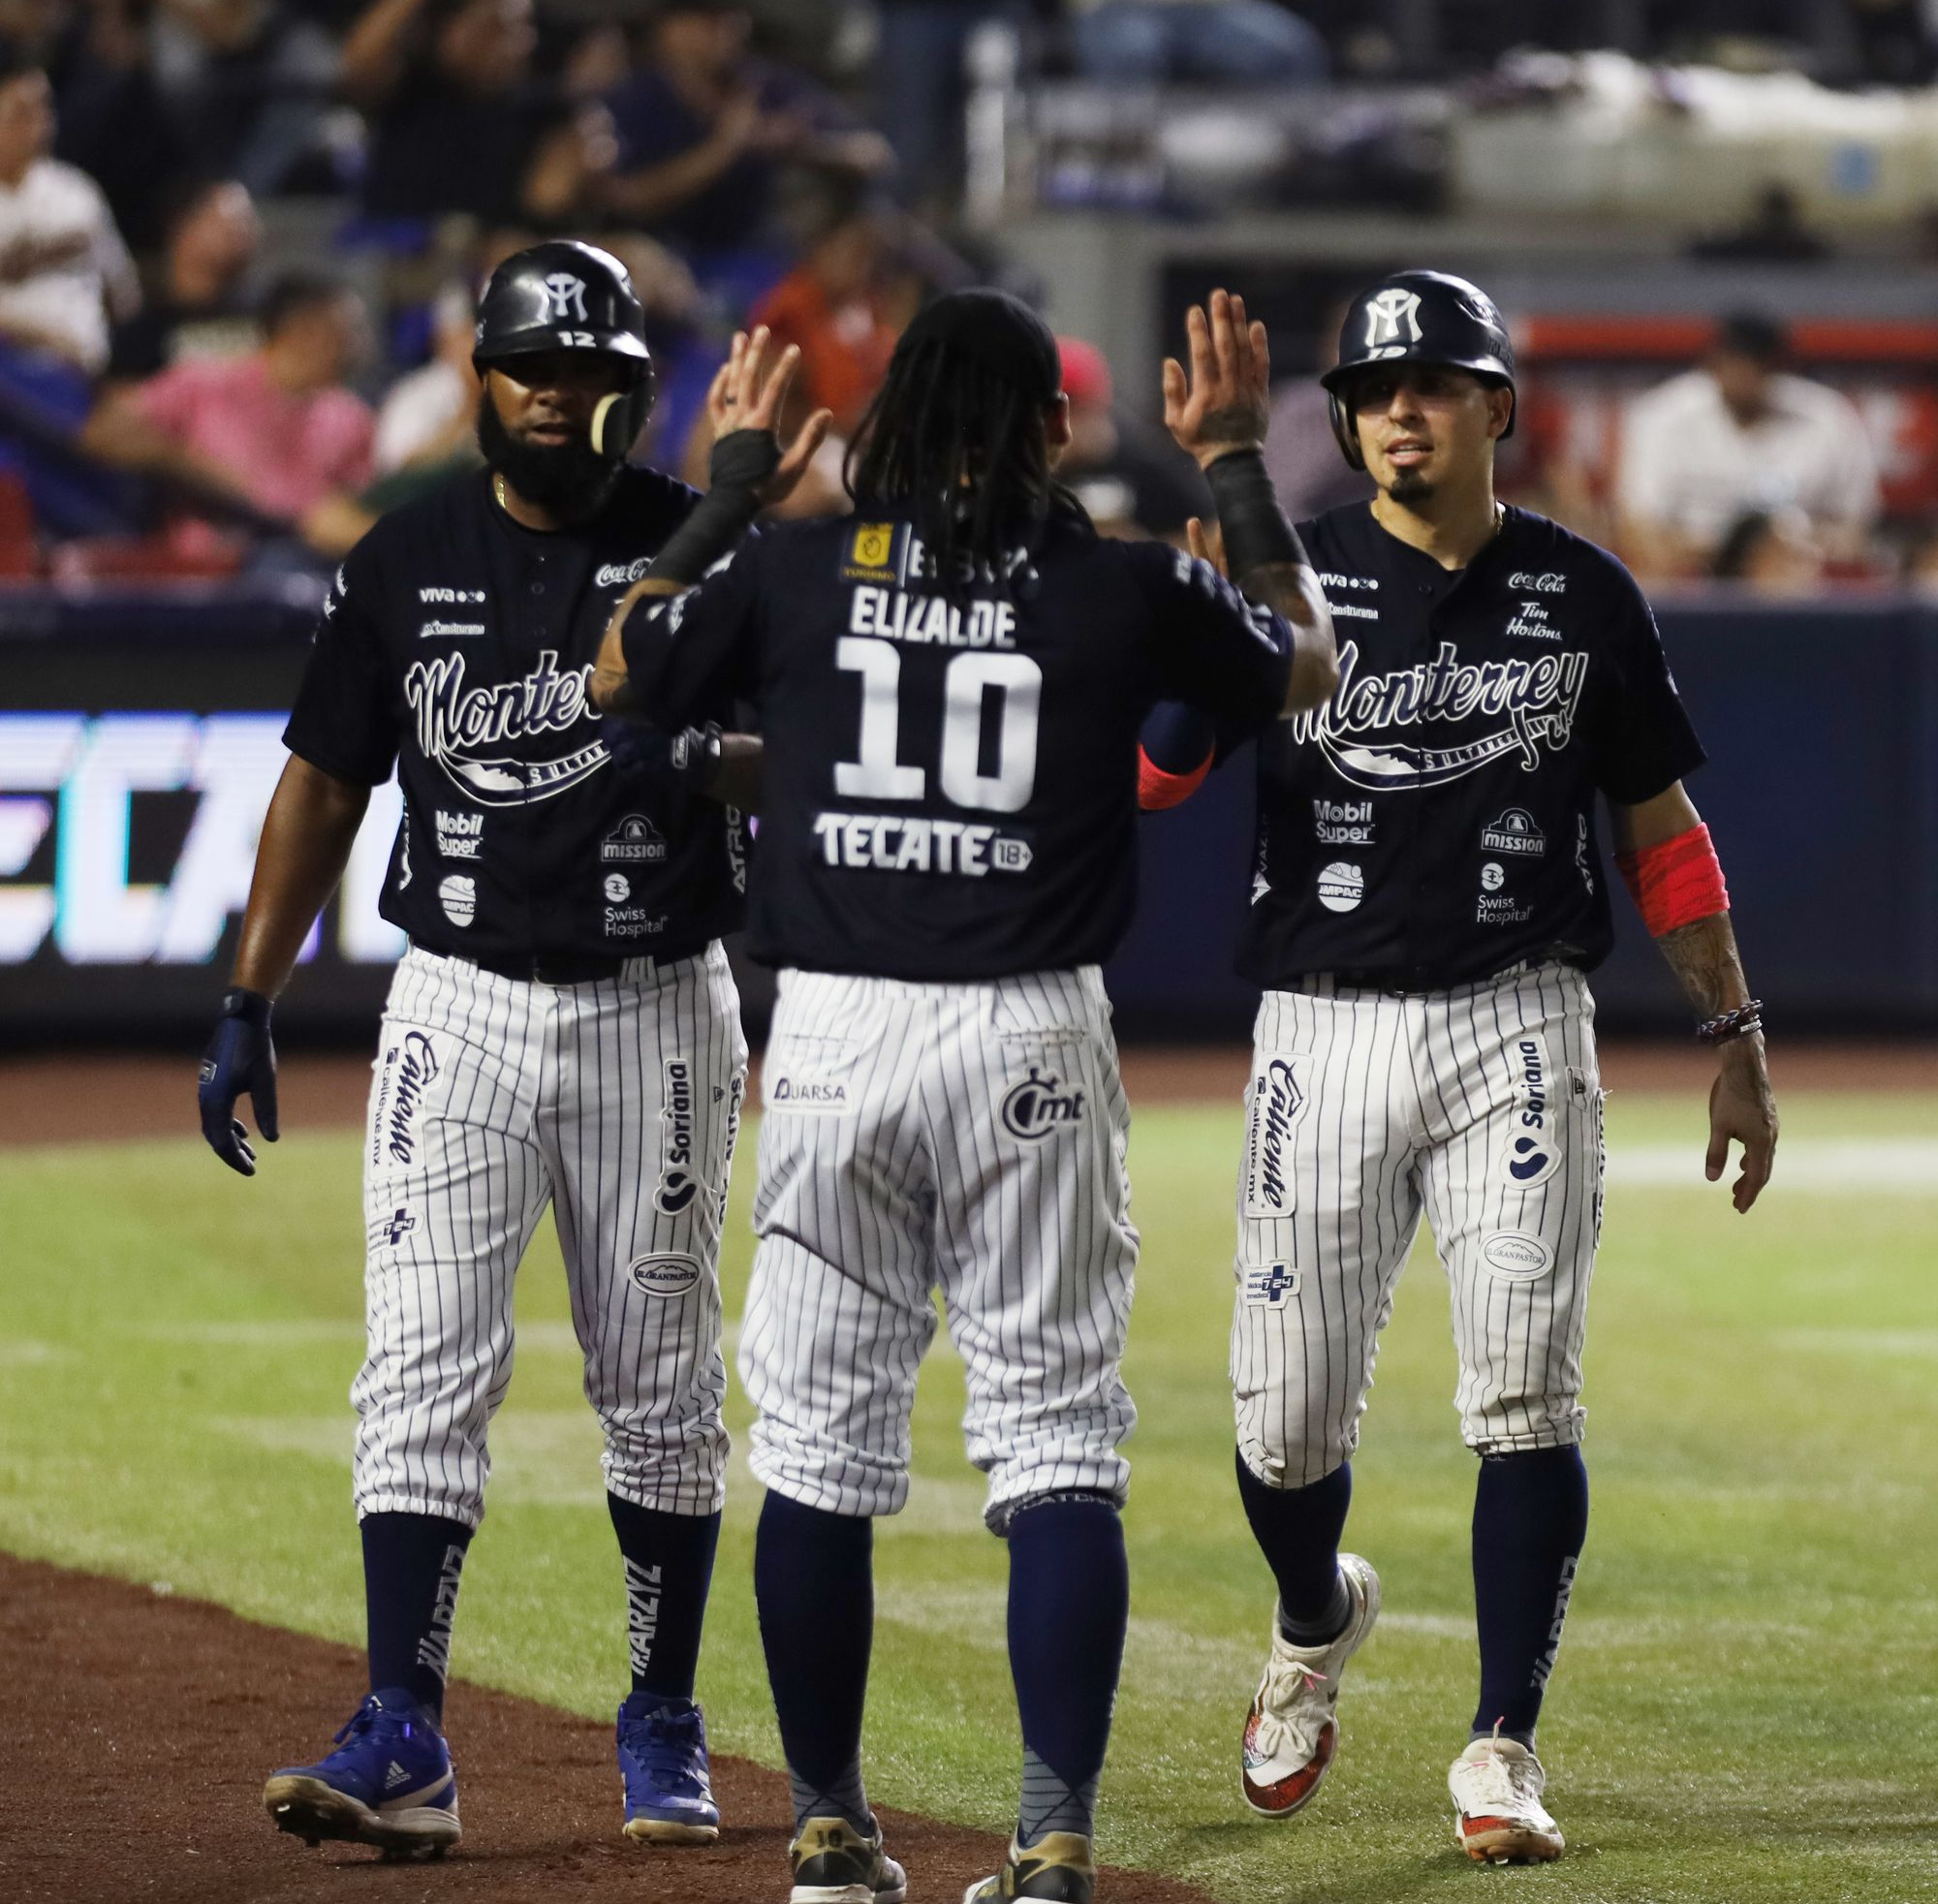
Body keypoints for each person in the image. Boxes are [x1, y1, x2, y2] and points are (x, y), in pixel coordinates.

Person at [590, 287, 1337, 1904]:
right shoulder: (1119, 582)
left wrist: (722, 484)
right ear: (1051, 430)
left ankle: (831, 1830)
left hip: (842, 1038)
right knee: (1058, 1440)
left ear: (879, 427)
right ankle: (1054, 1838)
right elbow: (1314, 666)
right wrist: (1229, 461)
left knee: (817, 1451)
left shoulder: (790, 570)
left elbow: (615, 674)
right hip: (1030, 1041)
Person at [193, 240, 827, 1860]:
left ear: (627, 389)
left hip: (656, 1000)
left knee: (664, 1389)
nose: (557, 395)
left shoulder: (706, 552)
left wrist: (706, 748)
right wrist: (248, 996)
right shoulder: (404, 560)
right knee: (418, 1370)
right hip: (456, 999)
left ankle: (662, 1712)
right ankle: (403, 1730)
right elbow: (325, 781)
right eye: (531, 368)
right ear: (479, 378)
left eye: (588, 372)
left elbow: (802, 758)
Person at [1137, 269, 1779, 1864]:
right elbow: (1157, 778)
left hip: (1519, 1022)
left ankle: (1502, 1743)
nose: (1397, 411)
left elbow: (1662, 834)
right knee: (1282, 1432)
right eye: (1370, 391)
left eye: (1431, 385)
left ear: (1498, 408)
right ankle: (1311, 1619)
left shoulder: (1583, 591)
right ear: (1344, 421)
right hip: (1322, 1027)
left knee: (1522, 1394)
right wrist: (1194, 618)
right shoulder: (1294, 581)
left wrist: (1737, 1033)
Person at [81, 269, 375, 562]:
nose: (362, 346)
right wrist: (198, 469)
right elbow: (100, 434)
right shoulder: (203, 383)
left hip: (305, 570)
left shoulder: (353, 418)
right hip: (204, 574)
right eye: (353, 330)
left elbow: (354, 511)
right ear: (304, 329)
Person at [601, 1, 892, 277]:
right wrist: (724, 147)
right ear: (672, 28)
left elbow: (872, 153)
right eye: (709, 19)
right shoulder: (635, 96)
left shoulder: (756, 84)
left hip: (750, 257)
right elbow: (624, 199)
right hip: (662, 257)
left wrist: (802, 148)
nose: (728, 29)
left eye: (733, 16)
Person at [1616, 310, 1880, 581]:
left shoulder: (1828, 418)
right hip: (1690, 578)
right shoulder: (1663, 415)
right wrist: (1726, 553)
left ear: (1778, 368)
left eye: (1757, 365)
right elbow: (1636, 530)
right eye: (1733, 363)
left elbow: (1855, 532)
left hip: (1794, 577)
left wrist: (1788, 550)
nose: (1743, 375)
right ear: (1712, 364)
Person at [0, 42, 140, 379]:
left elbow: (122, 296)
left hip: (82, 377)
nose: (39, 124)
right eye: (21, 112)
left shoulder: (76, 192)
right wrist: (45, 337)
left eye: (44, 108)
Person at [105, 177, 262, 386]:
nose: (245, 232)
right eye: (234, 220)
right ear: (183, 226)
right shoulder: (140, 332)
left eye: (249, 222)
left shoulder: (266, 320)